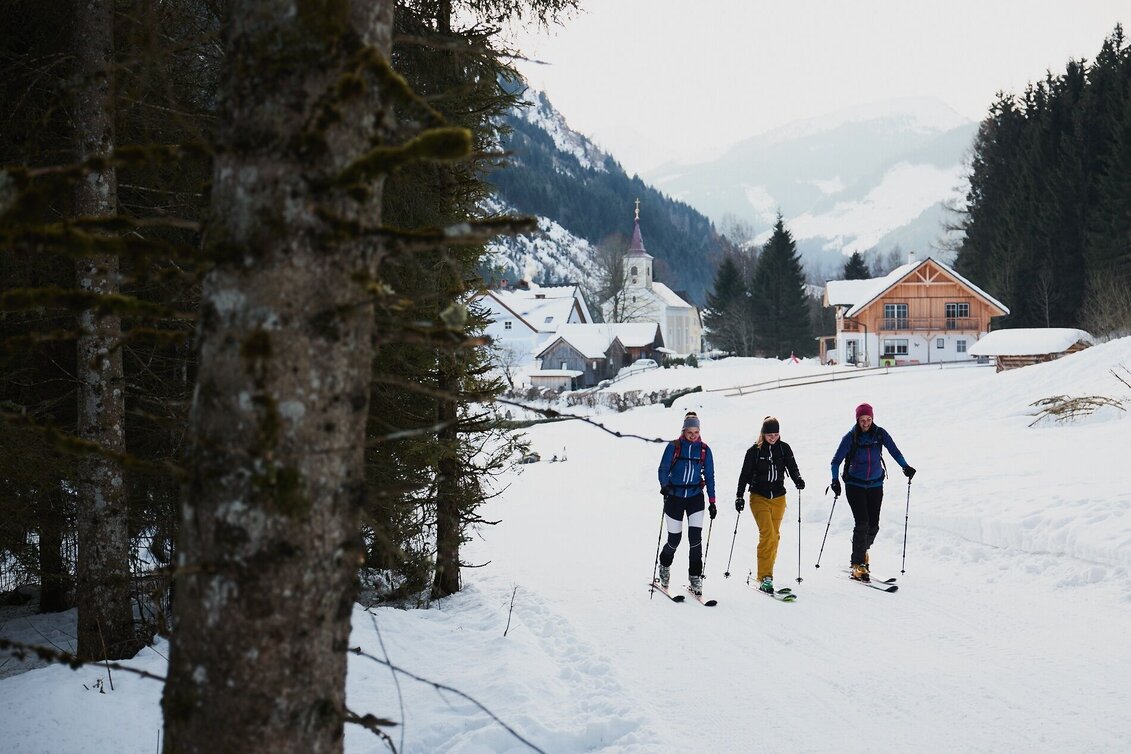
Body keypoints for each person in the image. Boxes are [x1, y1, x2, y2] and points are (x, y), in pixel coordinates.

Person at [829, 403, 916, 582]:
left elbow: (894, 451)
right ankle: (857, 564)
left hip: (876, 484)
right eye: (863, 420)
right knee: (862, 523)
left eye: (869, 419)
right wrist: (835, 480)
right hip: (854, 485)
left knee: (874, 526)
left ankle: (861, 550)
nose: (866, 423)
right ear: (857, 419)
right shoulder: (850, 437)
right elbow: (835, 461)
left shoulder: (880, 434)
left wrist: (905, 466)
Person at [734, 416, 805, 594]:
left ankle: (766, 572)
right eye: (769, 434)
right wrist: (739, 496)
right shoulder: (754, 451)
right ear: (763, 434)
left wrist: (798, 479)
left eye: (776, 434)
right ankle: (766, 576)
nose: (773, 438)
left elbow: (792, 466)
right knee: (768, 535)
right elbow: (744, 474)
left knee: (775, 536)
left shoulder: (784, 448)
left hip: (779, 498)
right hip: (759, 497)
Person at [656, 412, 717, 595]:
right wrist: (664, 486)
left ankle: (695, 577)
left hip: (695, 497)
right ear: (684, 430)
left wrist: (712, 501)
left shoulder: (705, 450)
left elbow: (710, 476)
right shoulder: (673, 447)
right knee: (674, 539)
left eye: (696, 431)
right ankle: (665, 566)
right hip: (674, 497)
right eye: (690, 431)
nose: (693, 435)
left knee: (695, 540)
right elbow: (663, 469)